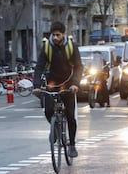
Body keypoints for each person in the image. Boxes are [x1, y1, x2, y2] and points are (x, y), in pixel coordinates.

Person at [32, 21, 83, 158]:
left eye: (58, 35)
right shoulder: (47, 47)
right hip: (52, 83)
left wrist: (75, 84)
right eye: (53, 35)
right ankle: (55, 127)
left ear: (63, 35)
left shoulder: (72, 46)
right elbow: (39, 67)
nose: (55, 37)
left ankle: (72, 145)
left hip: (69, 84)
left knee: (71, 116)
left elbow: (78, 66)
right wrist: (36, 86)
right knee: (48, 110)